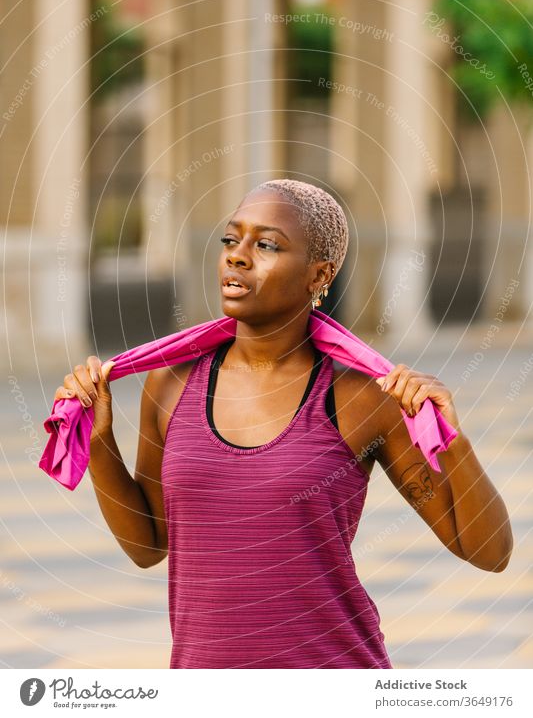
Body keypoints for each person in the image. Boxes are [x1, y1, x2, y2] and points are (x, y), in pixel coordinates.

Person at [54, 178, 513, 669]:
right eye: (232, 239)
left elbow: (487, 550)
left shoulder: (360, 398)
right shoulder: (170, 385)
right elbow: (148, 546)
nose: (238, 256)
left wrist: (454, 442)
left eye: (267, 245)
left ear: (320, 275)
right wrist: (100, 442)